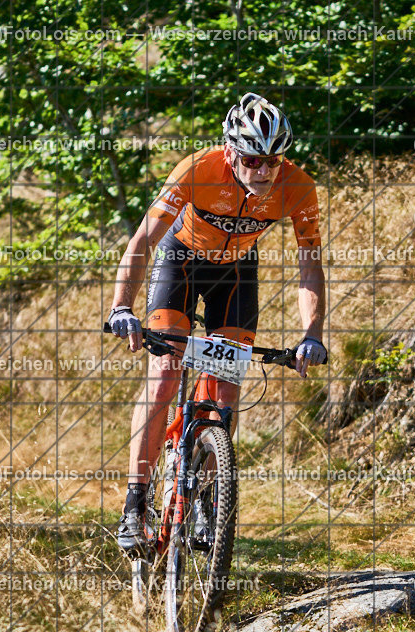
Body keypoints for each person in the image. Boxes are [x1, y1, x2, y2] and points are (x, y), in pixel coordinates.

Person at [106, 92, 327, 554]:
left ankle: (206, 495)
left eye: (272, 160)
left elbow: (310, 264)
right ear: (231, 151)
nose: (263, 171)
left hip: (237, 273)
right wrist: (122, 307)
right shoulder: (197, 170)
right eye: (251, 159)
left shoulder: (298, 187)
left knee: (225, 388)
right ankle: (136, 500)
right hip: (181, 262)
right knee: (164, 375)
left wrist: (312, 335)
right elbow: (145, 239)